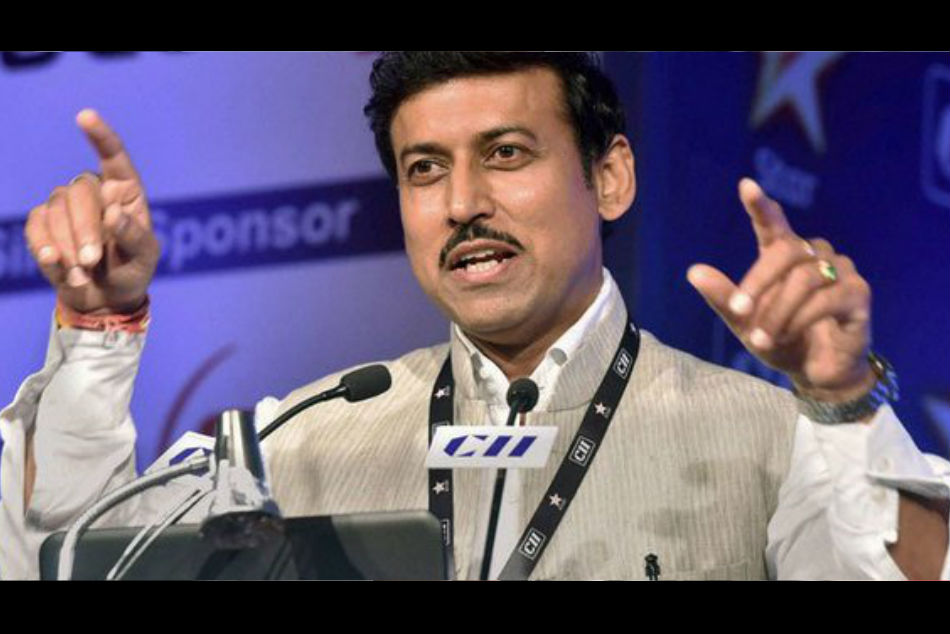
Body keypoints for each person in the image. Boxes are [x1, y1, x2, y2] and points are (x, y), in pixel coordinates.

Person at [1, 52, 948, 580]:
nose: (461, 204)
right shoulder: (296, 441)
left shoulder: (771, 438)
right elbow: (69, 557)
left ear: (609, 177)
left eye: (505, 153)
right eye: (425, 169)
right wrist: (97, 327)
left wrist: (841, 400)